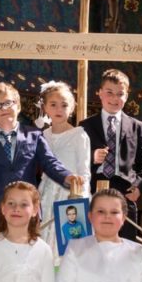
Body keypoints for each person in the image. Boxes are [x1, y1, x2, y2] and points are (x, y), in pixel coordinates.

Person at [0, 83, 81, 233]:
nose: (4, 109)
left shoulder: (34, 136)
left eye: (8, 103)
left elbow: (49, 162)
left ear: (18, 106)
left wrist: (67, 176)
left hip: (27, 210)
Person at [80, 69, 142, 242]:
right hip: (94, 188)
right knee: (93, 242)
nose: (114, 98)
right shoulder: (85, 125)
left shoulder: (136, 126)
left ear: (127, 96)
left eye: (120, 94)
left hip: (124, 189)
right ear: (100, 93)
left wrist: (137, 186)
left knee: (125, 242)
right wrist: (92, 157)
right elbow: (76, 160)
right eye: (109, 92)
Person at [36, 81, 91, 259]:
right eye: (53, 105)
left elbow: (84, 171)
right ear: (45, 107)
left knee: (67, 246)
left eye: (64, 105)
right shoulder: (42, 136)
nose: (59, 109)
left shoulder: (79, 135)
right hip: (46, 193)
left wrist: (80, 197)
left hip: (69, 194)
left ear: (72, 108)